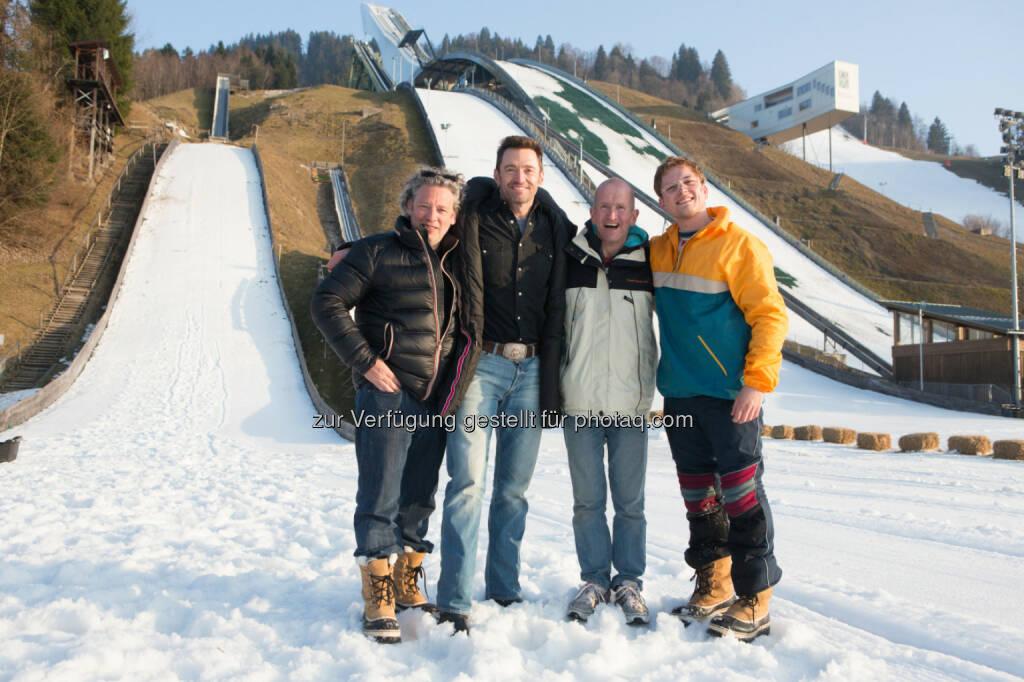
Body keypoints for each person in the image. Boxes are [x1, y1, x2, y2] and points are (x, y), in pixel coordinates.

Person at [311, 167, 465, 644]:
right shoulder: (377, 251)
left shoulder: (458, 260)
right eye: (423, 205)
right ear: (407, 207)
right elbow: (327, 302)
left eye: (442, 208)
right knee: (380, 493)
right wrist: (366, 362)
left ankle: (407, 579)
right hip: (388, 392)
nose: (431, 215)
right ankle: (377, 593)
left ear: (455, 215)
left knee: (419, 495)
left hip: (436, 395)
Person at [434, 136, 576, 633]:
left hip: (533, 370)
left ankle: (503, 588)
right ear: (496, 175)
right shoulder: (473, 215)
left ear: (541, 176)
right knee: (467, 483)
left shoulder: (555, 227)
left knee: (513, 490)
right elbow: (424, 222)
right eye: (511, 169)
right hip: (482, 366)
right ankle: (453, 597)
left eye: (529, 169)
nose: (520, 177)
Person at [649, 156, 788, 642]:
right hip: (681, 395)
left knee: (742, 496)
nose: (681, 191)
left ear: (704, 189)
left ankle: (756, 598)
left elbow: (770, 316)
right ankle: (715, 582)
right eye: (670, 187)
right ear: (662, 201)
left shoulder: (739, 245)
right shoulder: (658, 251)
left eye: (689, 183)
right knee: (698, 497)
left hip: (732, 395)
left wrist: (757, 382)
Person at [560, 178, 656, 626]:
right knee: (587, 501)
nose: (612, 215)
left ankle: (629, 581)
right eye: (604, 206)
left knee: (630, 501)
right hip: (579, 402)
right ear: (593, 210)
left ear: (634, 215)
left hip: (630, 406)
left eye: (620, 207)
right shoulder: (571, 258)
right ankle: (595, 579)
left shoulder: (650, 262)